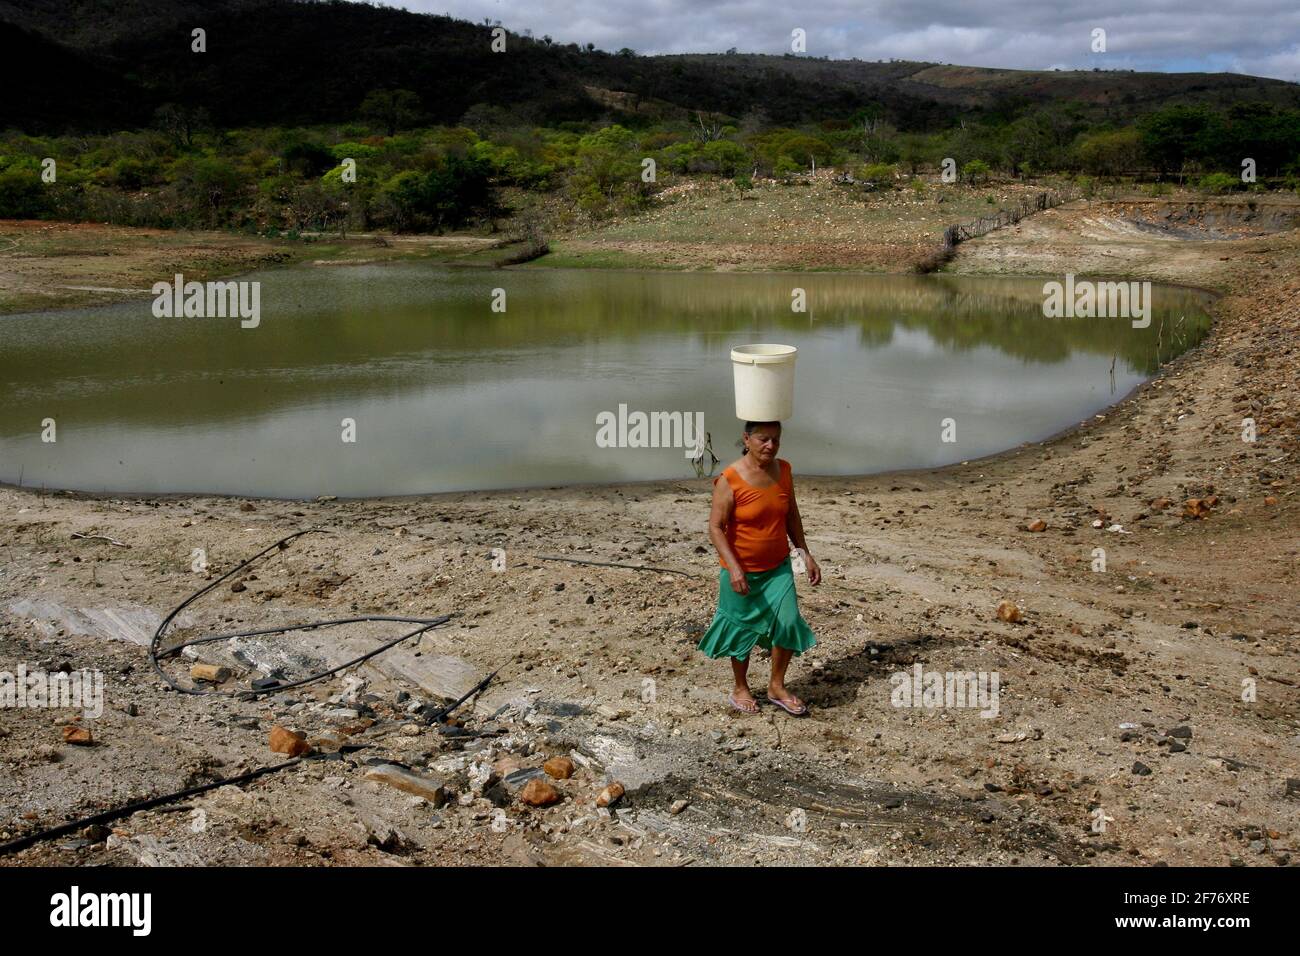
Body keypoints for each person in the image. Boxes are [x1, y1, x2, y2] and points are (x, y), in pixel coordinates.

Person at [698, 420, 820, 715]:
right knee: (741, 631)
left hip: (778, 568)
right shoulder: (730, 478)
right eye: (764, 439)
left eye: (776, 440)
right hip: (741, 570)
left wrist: (804, 552)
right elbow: (715, 528)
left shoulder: (785, 471)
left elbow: (792, 514)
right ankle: (740, 687)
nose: (771, 446)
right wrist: (734, 568)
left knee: (789, 623)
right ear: (747, 439)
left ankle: (776, 686)